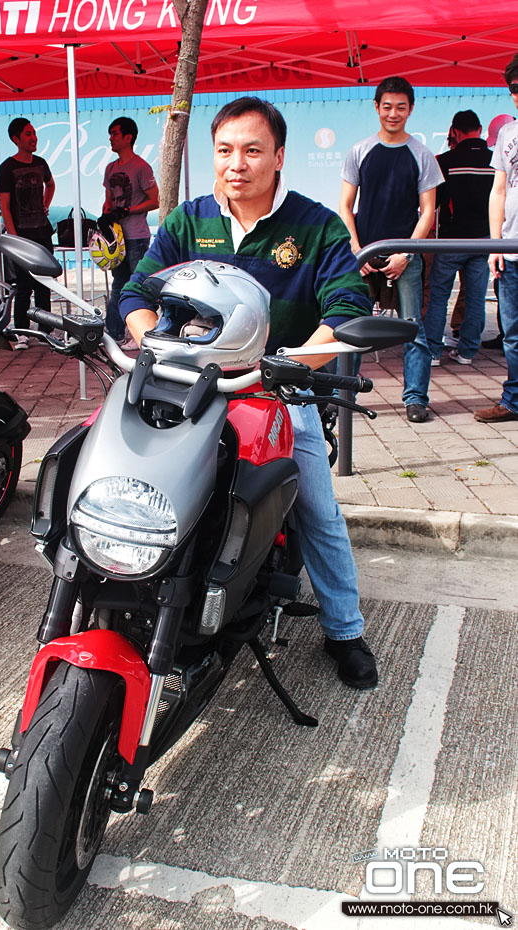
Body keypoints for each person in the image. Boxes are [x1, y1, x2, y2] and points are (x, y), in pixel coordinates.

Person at [120, 96, 378, 690]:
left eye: (253, 150)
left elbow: (346, 305)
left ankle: (345, 627)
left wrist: (291, 363)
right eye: (226, 151)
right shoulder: (188, 220)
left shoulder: (315, 226)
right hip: (190, 387)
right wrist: (153, 344)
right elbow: (135, 296)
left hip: (282, 390)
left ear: (280, 157)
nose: (237, 164)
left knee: (316, 507)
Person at [339, 76, 443, 424]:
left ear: (411, 110)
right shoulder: (360, 150)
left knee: (414, 327)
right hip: (364, 254)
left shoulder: (422, 154)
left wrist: (407, 253)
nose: (393, 113)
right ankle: (344, 395)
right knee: (352, 326)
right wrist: (357, 250)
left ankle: (415, 399)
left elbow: (428, 210)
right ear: (376, 107)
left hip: (405, 255)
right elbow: (345, 205)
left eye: (401, 107)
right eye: (387, 107)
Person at [423, 110, 494, 372]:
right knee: (476, 297)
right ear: (480, 128)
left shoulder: (445, 160)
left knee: (439, 295)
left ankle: (432, 351)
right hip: (485, 241)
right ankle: (466, 353)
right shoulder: (493, 160)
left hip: (450, 240)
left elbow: (434, 204)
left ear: (454, 131)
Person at [475, 53, 518, 422]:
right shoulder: (507, 134)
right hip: (510, 248)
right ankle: (514, 400)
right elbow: (498, 191)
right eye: (514, 88)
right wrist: (494, 243)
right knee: (513, 334)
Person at [0, 117, 55, 348]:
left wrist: (44, 204)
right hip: (21, 234)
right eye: (28, 134)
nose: (33, 138)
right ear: (16, 139)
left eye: (34, 133)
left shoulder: (40, 163)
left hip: (42, 231)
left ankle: (46, 330)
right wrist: (14, 238)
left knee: (45, 283)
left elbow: (51, 185)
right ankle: (21, 330)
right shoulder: (7, 168)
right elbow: (5, 207)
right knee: (23, 285)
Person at [101, 117, 159, 344]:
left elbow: (155, 201)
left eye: (115, 133)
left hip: (136, 236)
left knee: (140, 285)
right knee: (118, 285)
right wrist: (106, 219)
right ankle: (113, 332)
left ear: (128, 137)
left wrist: (128, 210)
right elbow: (107, 201)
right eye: (110, 134)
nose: (111, 138)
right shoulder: (110, 168)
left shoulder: (142, 167)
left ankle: (144, 334)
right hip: (117, 238)